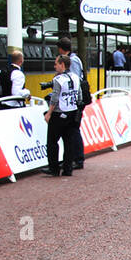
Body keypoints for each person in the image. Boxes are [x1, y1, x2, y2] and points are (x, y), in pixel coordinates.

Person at [43, 54, 81, 176]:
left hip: (59, 113)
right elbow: (79, 94)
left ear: (62, 65)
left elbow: (54, 98)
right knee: (68, 142)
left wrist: (49, 113)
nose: (55, 66)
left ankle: (53, 168)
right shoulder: (75, 77)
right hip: (72, 112)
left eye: (56, 64)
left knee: (52, 141)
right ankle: (67, 168)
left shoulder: (58, 80)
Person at [56, 37, 86, 168]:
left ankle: (77, 159)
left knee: (74, 130)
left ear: (61, 49)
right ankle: (72, 158)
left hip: (74, 100)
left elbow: (74, 81)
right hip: (75, 99)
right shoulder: (76, 58)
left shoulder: (72, 61)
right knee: (73, 130)